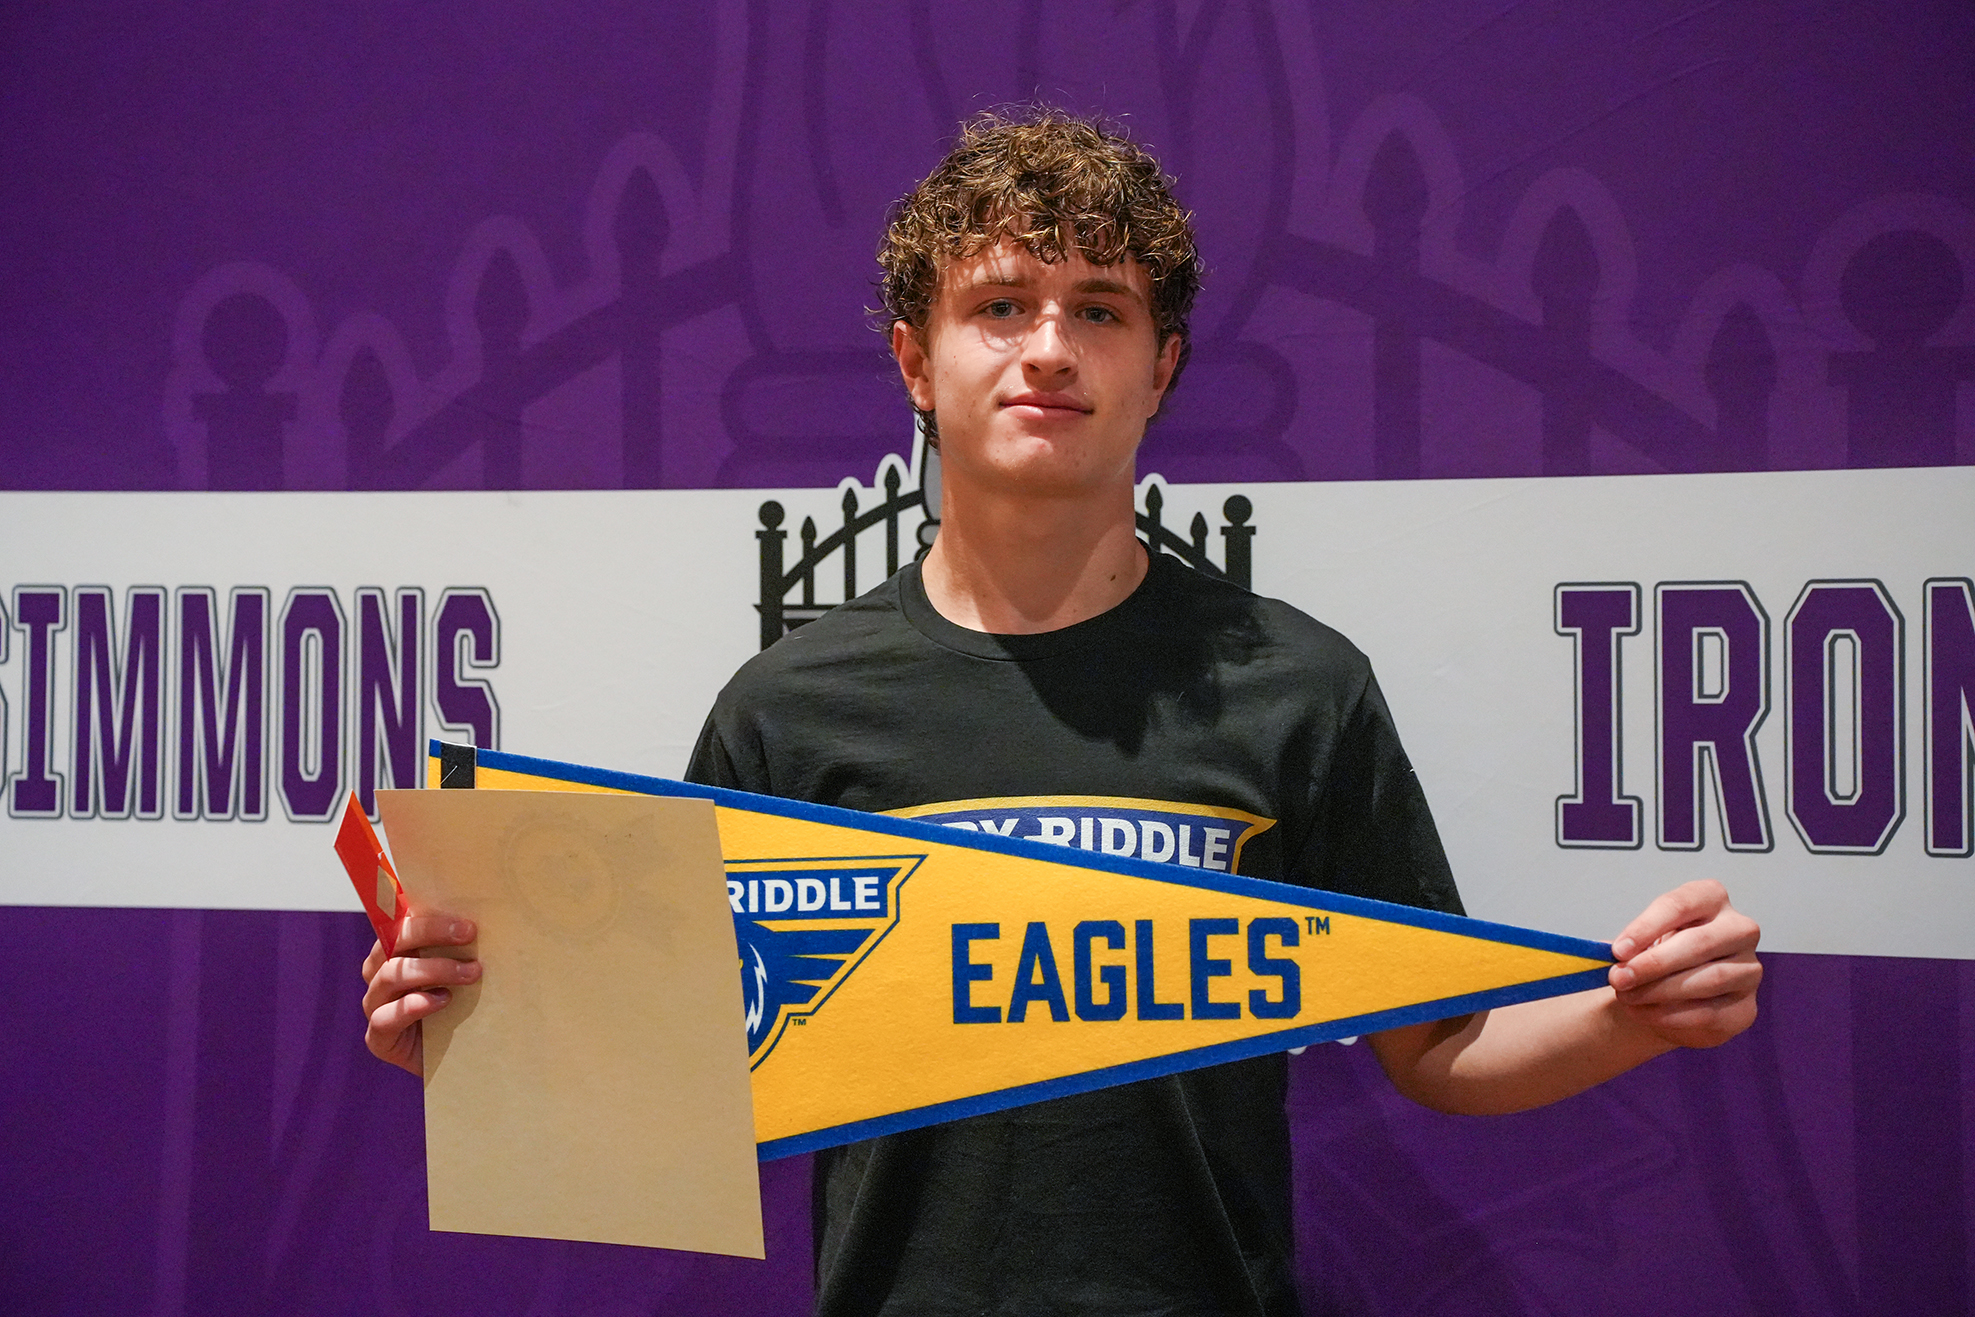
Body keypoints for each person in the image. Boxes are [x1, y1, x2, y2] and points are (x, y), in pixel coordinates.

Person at [362, 109, 1761, 1316]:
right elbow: (680, 1083)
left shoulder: (1296, 685)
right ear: (916, 364)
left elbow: (1441, 1047)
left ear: (1162, 367)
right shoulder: (787, 711)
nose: (1049, 348)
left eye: (1100, 309)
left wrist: (1632, 1015)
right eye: (1000, 306)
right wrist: (484, 1041)